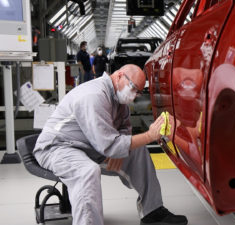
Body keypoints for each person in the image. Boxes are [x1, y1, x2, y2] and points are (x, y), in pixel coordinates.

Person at [33, 64, 188, 225]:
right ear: (120, 76)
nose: (134, 96)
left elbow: (124, 129)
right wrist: (149, 136)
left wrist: (119, 150)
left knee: (138, 150)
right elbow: (110, 145)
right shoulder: (93, 96)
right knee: (87, 171)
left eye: (138, 92)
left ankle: (152, 212)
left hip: (90, 147)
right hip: (57, 147)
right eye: (133, 88)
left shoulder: (118, 99)